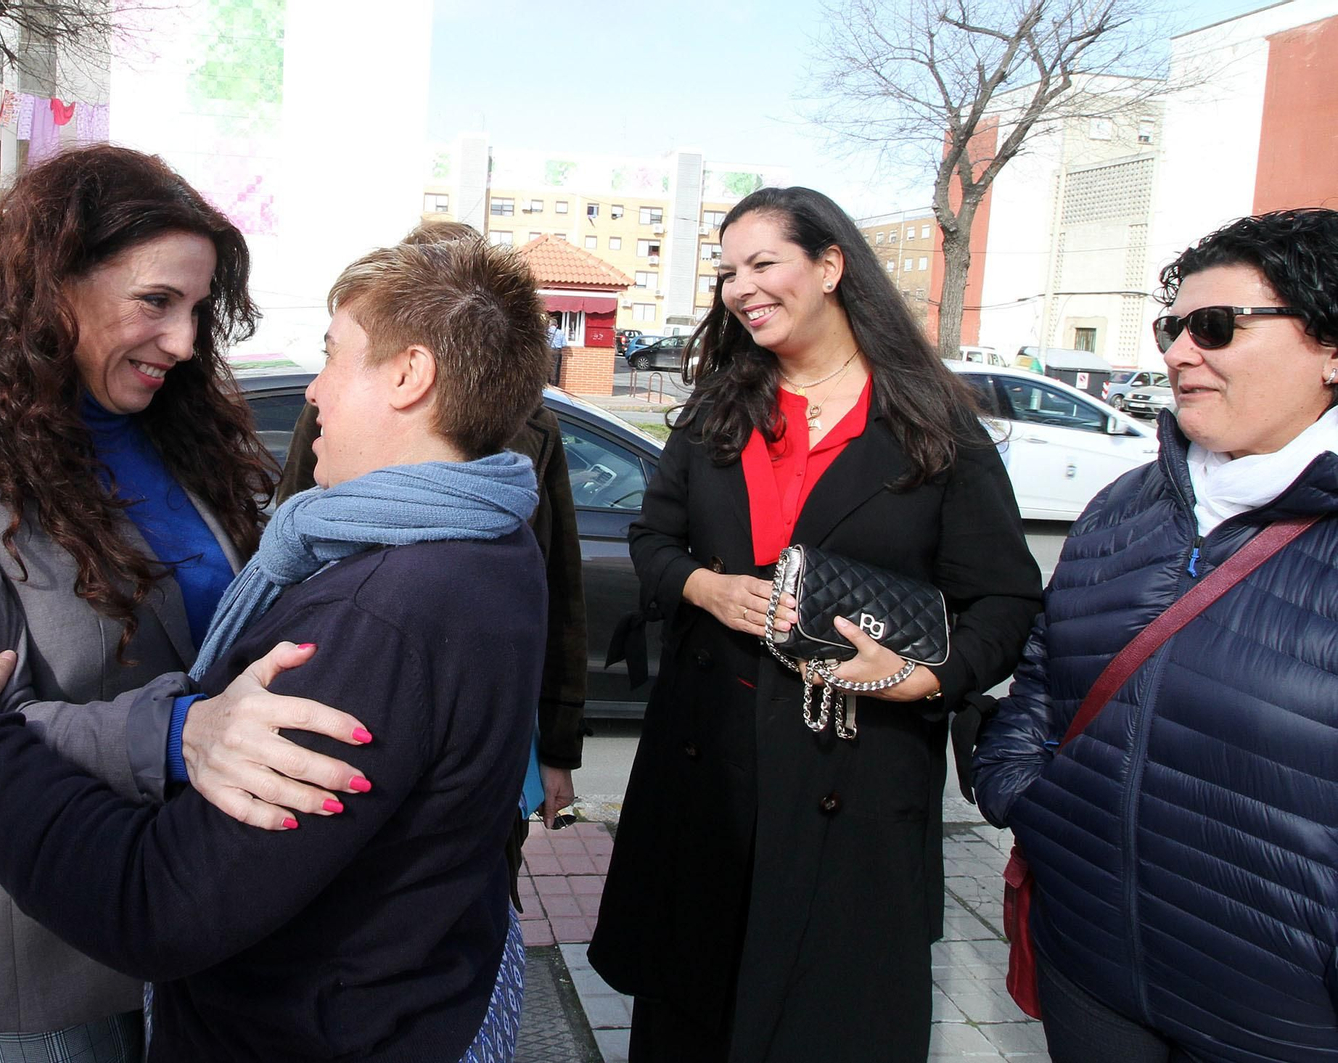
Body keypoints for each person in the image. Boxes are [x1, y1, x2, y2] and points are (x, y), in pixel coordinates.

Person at [0, 234, 555, 1062]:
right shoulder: (495, 535)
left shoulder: (379, 613)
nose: (313, 388)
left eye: (332, 355)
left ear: (408, 375)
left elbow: (159, 905)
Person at [0, 144, 372, 1062]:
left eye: (198, 309)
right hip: (44, 943)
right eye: (156, 301)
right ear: (53, 285)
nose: (184, 342)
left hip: (201, 905)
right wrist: (181, 732)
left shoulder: (182, 435)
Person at [587, 185, 1042, 1063]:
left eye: (763, 263)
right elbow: (653, 539)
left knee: (828, 1016)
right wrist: (704, 588)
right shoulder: (720, 407)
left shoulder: (932, 423)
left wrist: (922, 678)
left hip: (855, 769)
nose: (740, 288)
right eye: (728, 271)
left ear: (831, 266)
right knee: (694, 1010)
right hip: (709, 758)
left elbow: (1007, 601)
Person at [973, 210, 1338, 1063]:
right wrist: (1023, 795)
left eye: (1216, 326)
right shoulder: (1123, 506)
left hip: (1280, 1018)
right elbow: (1043, 681)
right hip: (1092, 971)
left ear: (1330, 348)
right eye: (1171, 329)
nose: (1179, 354)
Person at [278, 221, 588, 837]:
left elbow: (558, 580)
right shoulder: (336, 413)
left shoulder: (530, 428)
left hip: (474, 722)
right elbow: (296, 530)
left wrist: (557, 746)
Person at [548, 318, 567, 384]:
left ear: (550, 324)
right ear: (557, 325)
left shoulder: (546, 331)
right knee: (555, 368)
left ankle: (546, 383)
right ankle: (553, 383)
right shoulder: (560, 332)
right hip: (557, 351)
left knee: (546, 366)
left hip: (547, 351)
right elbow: (564, 344)